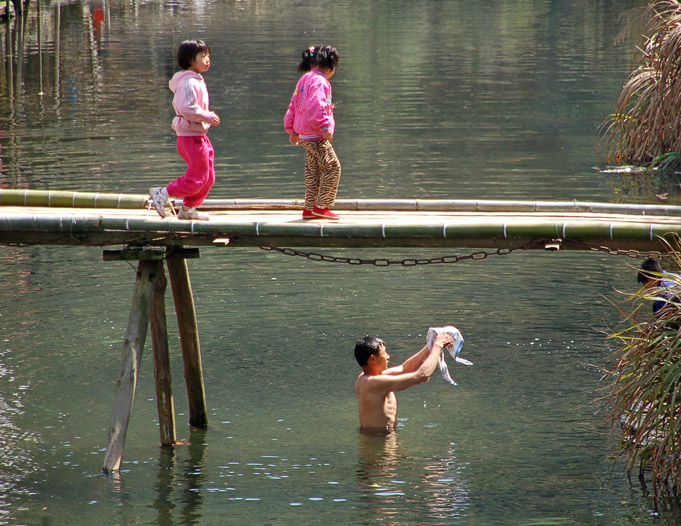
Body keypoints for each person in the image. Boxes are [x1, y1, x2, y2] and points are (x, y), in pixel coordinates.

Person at [149, 39, 221, 221]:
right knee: (197, 177)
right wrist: (207, 116)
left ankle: (189, 208)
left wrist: (205, 119)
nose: (207, 59)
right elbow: (187, 108)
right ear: (190, 60)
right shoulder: (188, 82)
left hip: (199, 135)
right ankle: (163, 193)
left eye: (208, 56)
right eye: (203, 56)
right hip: (190, 137)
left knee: (208, 177)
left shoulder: (196, 80)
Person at [284, 45, 341, 221]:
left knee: (314, 171)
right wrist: (325, 126)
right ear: (330, 66)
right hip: (316, 135)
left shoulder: (304, 79)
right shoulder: (320, 81)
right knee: (332, 167)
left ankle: (309, 208)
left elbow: (293, 105)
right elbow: (317, 105)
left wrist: (292, 130)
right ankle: (321, 206)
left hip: (304, 136)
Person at [354, 333, 453, 434]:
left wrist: (430, 345)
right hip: (382, 441)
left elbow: (404, 368)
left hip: (375, 439)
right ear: (373, 359)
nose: (388, 356)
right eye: (384, 353)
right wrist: (437, 346)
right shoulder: (375, 383)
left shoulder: (363, 378)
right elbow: (422, 375)